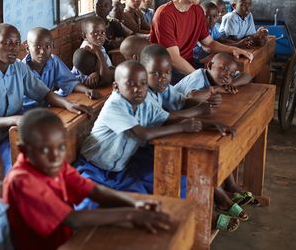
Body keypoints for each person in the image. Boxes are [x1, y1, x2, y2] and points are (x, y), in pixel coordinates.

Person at [3, 108, 172, 250]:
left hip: (66, 239)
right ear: (23, 149)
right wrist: (130, 215)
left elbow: (92, 189)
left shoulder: (51, 164)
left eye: (61, 147)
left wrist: (133, 203)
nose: (55, 156)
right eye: (44, 150)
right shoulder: (22, 180)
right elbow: (71, 219)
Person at [76, 61, 234, 200]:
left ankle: (196, 218)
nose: (138, 89)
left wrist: (213, 125)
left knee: (151, 194)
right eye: (131, 84)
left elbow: (169, 118)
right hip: (92, 167)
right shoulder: (115, 104)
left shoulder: (146, 102)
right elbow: (143, 133)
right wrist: (182, 127)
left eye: (143, 83)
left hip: (120, 169)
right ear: (116, 87)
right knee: (90, 202)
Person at [0, 23, 92, 172]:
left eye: (16, 43)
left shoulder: (19, 68)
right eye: (7, 43)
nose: (13, 48)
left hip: (5, 134)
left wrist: (67, 104)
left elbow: (45, 93)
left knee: (18, 168)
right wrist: (17, 119)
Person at [150, 0, 253, 83]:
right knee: (216, 90)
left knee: (240, 77)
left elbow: (208, 44)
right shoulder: (164, 14)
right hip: (166, 72)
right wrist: (201, 78)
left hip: (188, 67)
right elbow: (173, 59)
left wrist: (233, 49)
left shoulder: (197, 11)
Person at [21, 27, 99, 110]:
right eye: (38, 46)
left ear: (52, 46)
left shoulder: (53, 61)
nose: (42, 52)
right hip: (26, 113)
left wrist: (87, 90)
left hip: (48, 108)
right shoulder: (21, 70)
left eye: (47, 46)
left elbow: (69, 82)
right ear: (27, 48)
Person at [140, 44, 221, 115]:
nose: (163, 78)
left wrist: (208, 101)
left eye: (168, 72)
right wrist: (198, 110)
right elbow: (162, 118)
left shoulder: (164, 88)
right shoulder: (141, 95)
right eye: (155, 73)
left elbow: (183, 102)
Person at [175, 53, 252, 101]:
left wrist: (232, 84)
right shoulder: (198, 77)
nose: (227, 76)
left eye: (232, 74)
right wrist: (215, 89)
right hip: (168, 110)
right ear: (210, 65)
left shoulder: (224, 78)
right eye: (224, 69)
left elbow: (247, 76)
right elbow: (191, 97)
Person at [72, 17, 114, 87]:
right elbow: (106, 79)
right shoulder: (86, 50)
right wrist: (98, 53)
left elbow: (108, 68)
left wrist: (98, 72)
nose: (99, 37)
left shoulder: (97, 45)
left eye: (102, 32)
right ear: (84, 36)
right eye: (94, 33)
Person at [193, 1, 222, 68]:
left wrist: (238, 44)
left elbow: (220, 39)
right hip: (195, 58)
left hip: (206, 54)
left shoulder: (212, 28)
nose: (211, 20)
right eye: (207, 16)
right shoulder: (197, 29)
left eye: (214, 16)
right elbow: (208, 48)